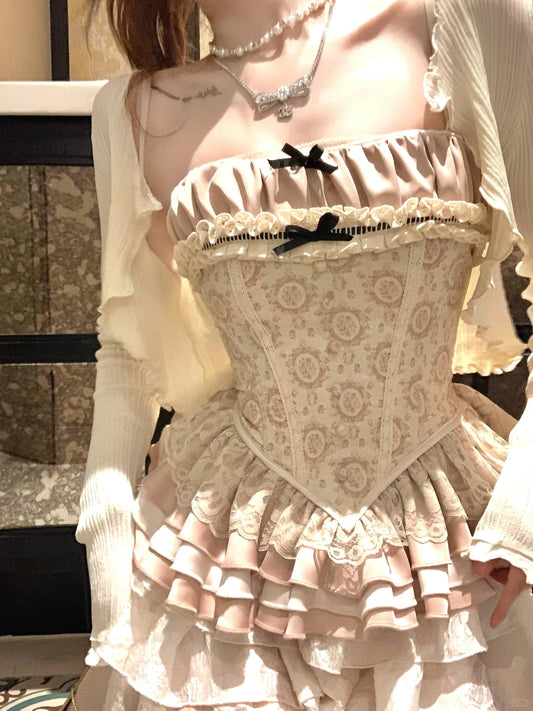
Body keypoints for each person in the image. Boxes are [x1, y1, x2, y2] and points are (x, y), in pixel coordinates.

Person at [76, 0, 533, 708]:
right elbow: (127, 351)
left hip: (456, 537)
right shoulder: (133, 112)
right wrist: (108, 546)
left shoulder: (461, 20)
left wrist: (525, 507)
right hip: (227, 547)